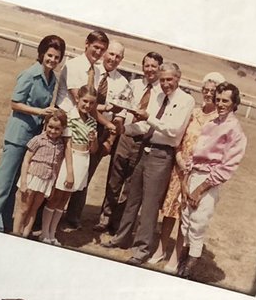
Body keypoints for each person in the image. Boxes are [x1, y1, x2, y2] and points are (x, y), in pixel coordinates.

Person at [103, 62, 196, 265]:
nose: (165, 84)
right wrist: (125, 130)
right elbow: (146, 126)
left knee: (150, 204)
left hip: (162, 155)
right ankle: (121, 238)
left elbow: (174, 130)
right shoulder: (159, 96)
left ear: (178, 78)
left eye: (169, 79)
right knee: (132, 198)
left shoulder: (186, 100)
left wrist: (149, 118)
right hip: (145, 148)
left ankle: (142, 249)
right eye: (162, 80)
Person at [0, 34, 66, 234]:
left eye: (56, 57)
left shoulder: (52, 78)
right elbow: (14, 103)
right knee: (4, 182)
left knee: (16, 183)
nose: (52, 60)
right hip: (18, 135)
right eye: (49, 55)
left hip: (33, 138)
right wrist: (40, 112)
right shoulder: (29, 74)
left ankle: (4, 222)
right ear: (41, 53)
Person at [152, 72, 224, 271]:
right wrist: (178, 158)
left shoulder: (219, 120)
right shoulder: (193, 112)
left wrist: (192, 167)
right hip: (179, 168)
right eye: (205, 90)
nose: (207, 94)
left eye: (212, 91)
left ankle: (176, 255)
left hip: (197, 173)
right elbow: (179, 136)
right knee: (170, 210)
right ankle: (160, 249)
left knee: (187, 215)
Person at [177, 81, 248, 279]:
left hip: (208, 181)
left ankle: (189, 271)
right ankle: (181, 265)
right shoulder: (211, 124)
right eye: (218, 100)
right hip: (193, 176)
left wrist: (200, 189)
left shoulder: (235, 131)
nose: (220, 104)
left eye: (226, 101)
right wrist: (186, 180)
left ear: (235, 103)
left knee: (198, 224)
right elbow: (194, 155)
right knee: (186, 222)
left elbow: (227, 166)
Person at [96, 51, 162, 236]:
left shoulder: (161, 93)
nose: (150, 69)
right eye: (147, 65)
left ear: (159, 68)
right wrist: (117, 126)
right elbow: (121, 108)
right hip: (124, 136)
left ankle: (118, 223)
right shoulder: (134, 85)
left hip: (143, 140)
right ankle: (105, 218)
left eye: (154, 66)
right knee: (114, 179)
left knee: (131, 184)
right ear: (142, 67)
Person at [66, 41, 129, 232]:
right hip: (80, 122)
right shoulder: (93, 71)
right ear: (105, 53)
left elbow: (120, 115)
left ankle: (72, 216)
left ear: (122, 59)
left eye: (118, 56)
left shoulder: (123, 83)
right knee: (66, 167)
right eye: (111, 54)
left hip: (101, 132)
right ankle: (52, 208)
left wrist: (109, 140)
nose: (113, 59)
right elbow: (85, 102)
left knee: (86, 172)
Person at [54, 29, 109, 228]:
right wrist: (108, 123)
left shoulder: (97, 71)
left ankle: (56, 221)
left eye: (102, 49)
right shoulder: (75, 65)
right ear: (86, 44)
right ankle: (41, 222)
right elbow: (81, 99)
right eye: (96, 47)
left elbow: (90, 102)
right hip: (65, 123)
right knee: (57, 173)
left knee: (72, 176)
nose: (98, 52)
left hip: (82, 125)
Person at [40, 90, 98, 245]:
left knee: (65, 199)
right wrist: (70, 172)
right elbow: (67, 145)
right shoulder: (70, 117)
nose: (88, 105)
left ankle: (52, 233)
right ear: (78, 99)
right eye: (85, 101)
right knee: (56, 197)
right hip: (70, 160)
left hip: (83, 160)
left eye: (92, 103)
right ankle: (44, 233)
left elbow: (93, 150)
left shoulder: (92, 122)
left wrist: (93, 140)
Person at [12, 109, 68, 240]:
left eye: (57, 129)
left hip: (46, 181)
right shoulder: (38, 140)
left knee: (34, 209)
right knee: (23, 208)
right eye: (50, 127)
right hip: (32, 178)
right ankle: (15, 235)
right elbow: (26, 160)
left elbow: (57, 166)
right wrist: (24, 181)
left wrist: (53, 185)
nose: (53, 131)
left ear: (62, 129)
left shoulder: (60, 145)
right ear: (45, 125)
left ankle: (25, 235)